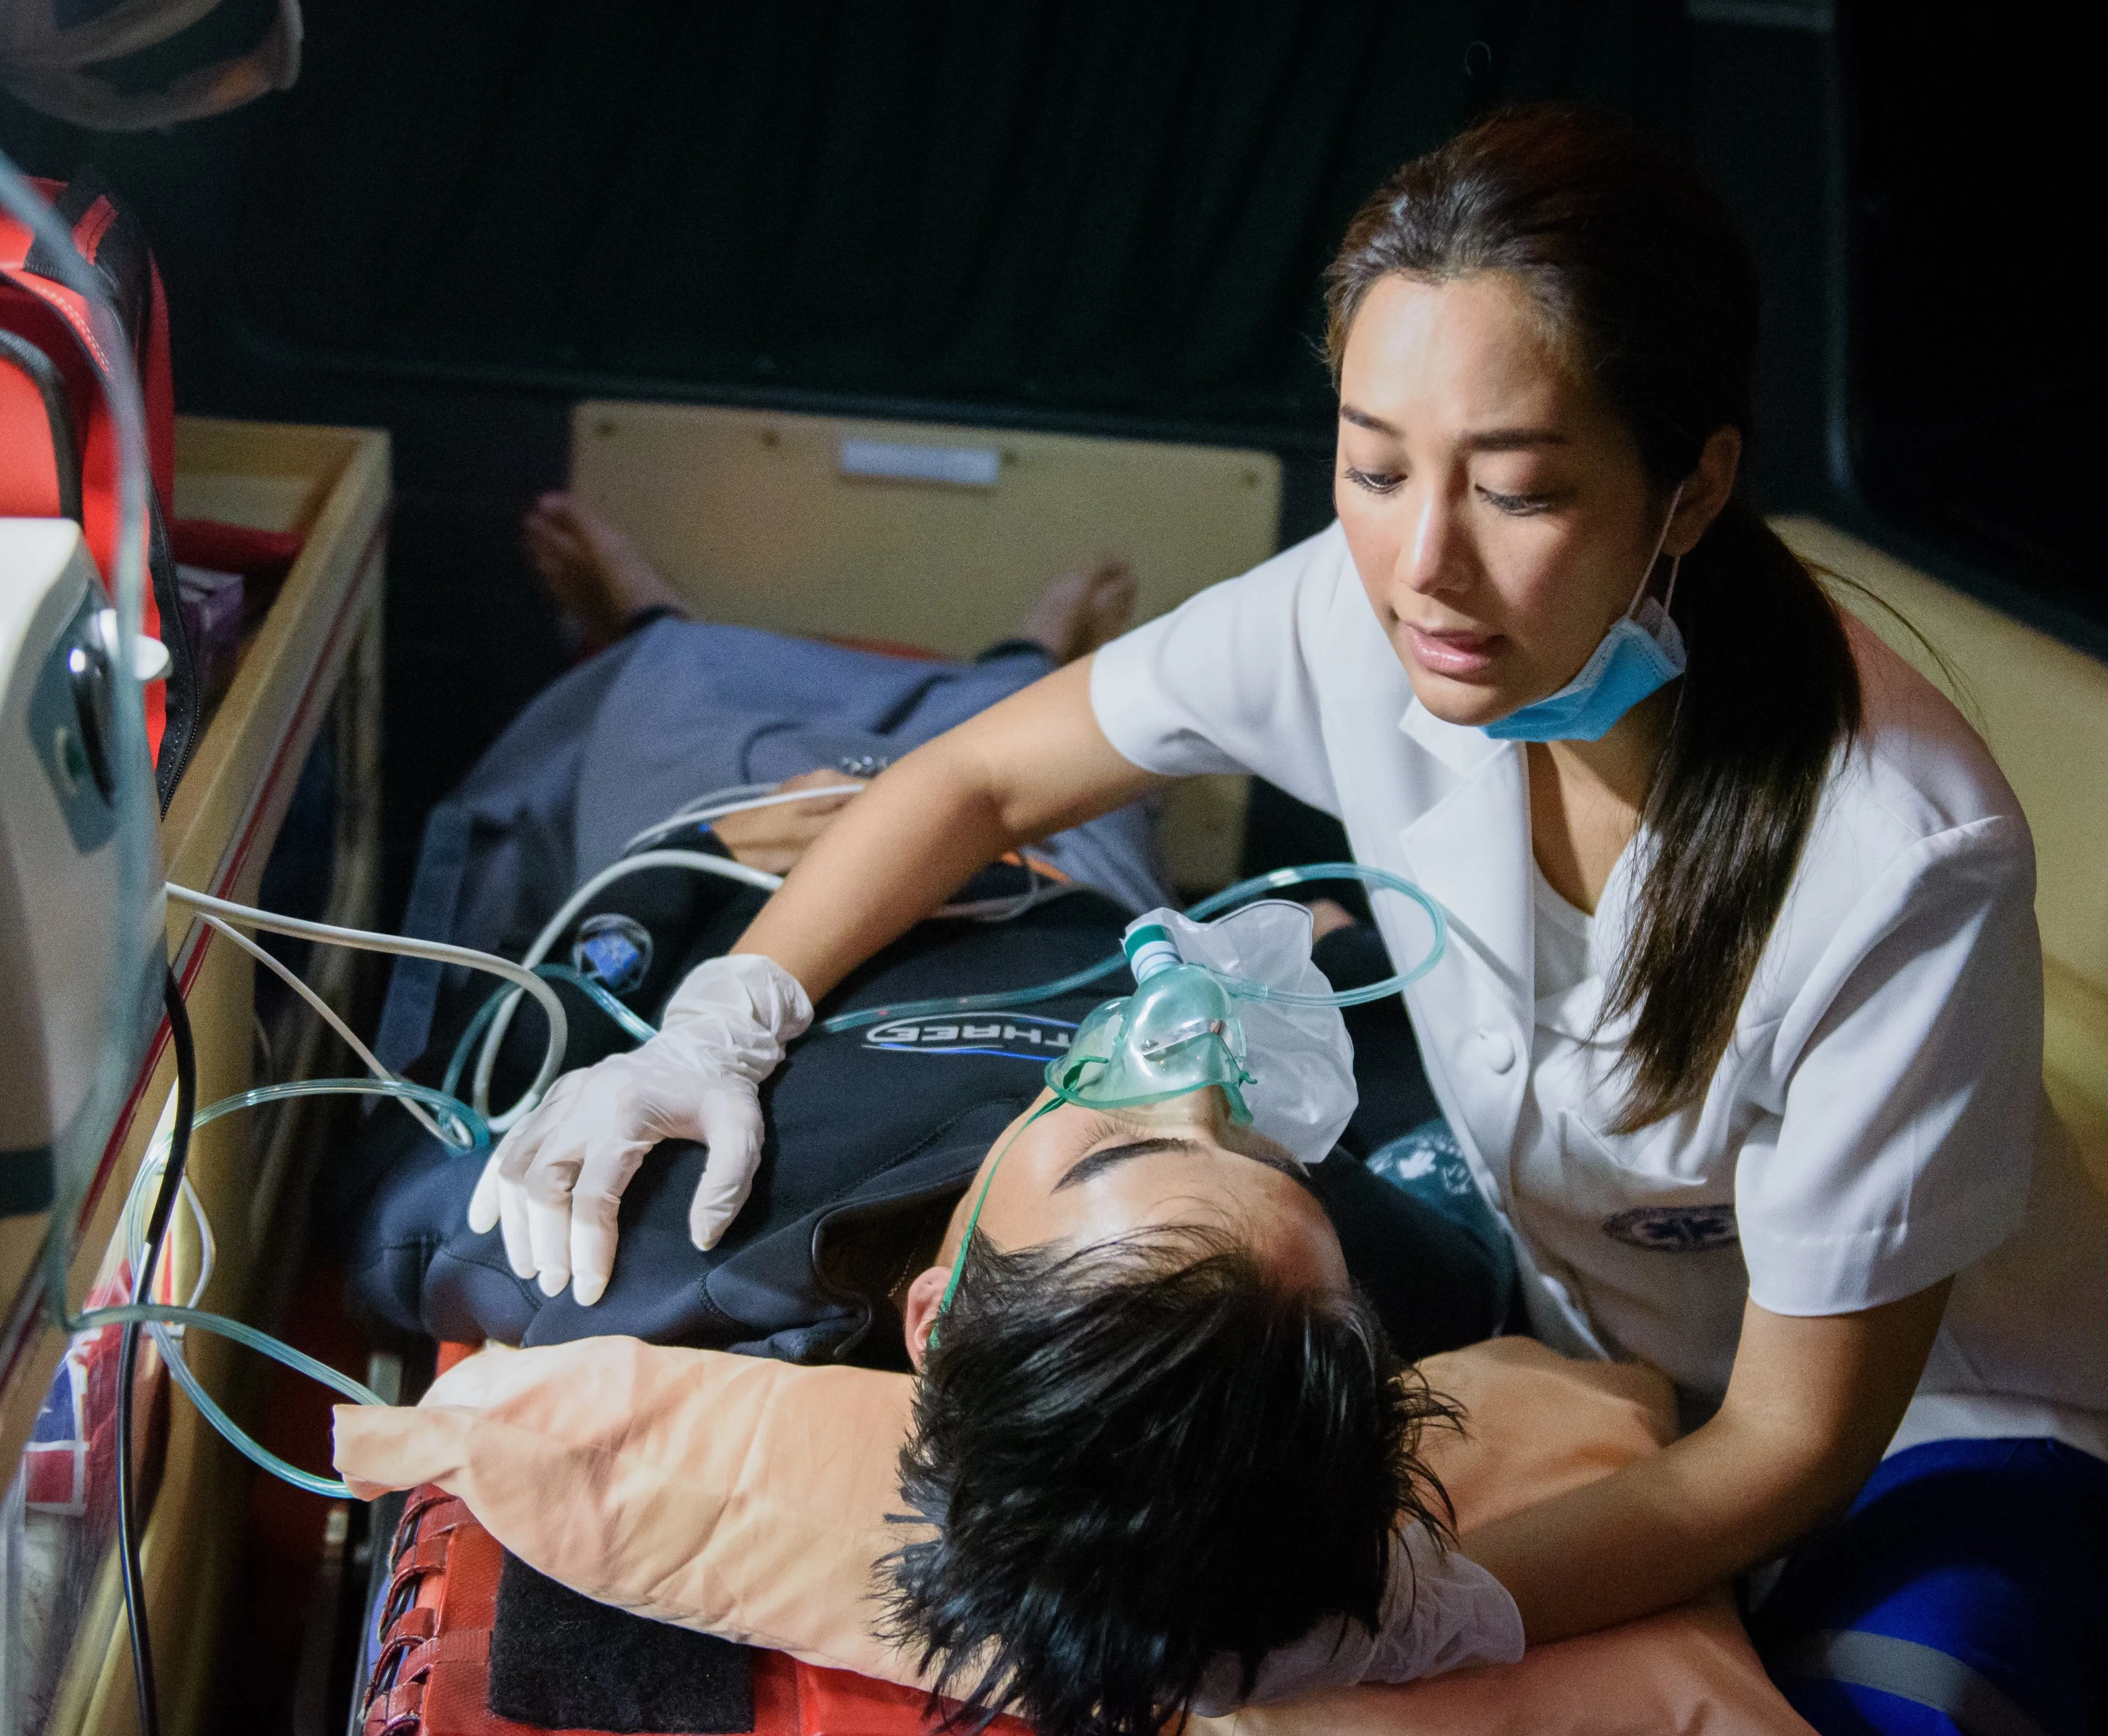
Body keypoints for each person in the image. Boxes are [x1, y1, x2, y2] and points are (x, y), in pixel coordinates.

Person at [476, 106, 2108, 1736]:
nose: (1425, 568)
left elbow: (1791, 1444)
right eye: (1375, 466)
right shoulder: (1354, 614)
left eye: (1522, 488)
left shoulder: (1893, 862)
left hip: (1945, 1442)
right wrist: (724, 1018)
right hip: (1624, 1378)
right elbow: (978, 785)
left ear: (1691, 486)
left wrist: (1394, 1606)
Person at [337, 540, 1522, 1736]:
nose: (1184, 1059)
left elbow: (388, 1206)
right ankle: (1029, 643)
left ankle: (643, 621)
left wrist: (672, 892)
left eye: (1114, 1147)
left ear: (938, 1310)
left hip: (770, 856)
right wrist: (1339, 952)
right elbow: (1415, 1108)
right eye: (1263, 1151)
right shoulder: (1358, 1295)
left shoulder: (656, 1245)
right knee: (1018, 719)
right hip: (1083, 861)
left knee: (688, 682)